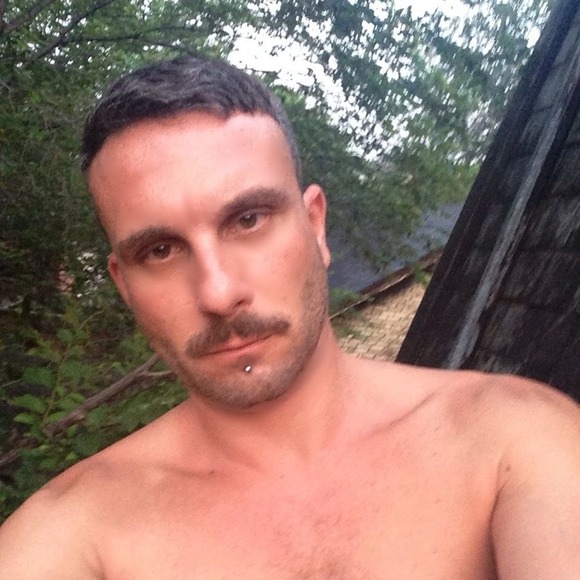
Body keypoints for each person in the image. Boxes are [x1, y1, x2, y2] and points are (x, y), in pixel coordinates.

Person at [0, 55, 579, 579]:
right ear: (125, 285)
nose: (219, 294)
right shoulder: (72, 534)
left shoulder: (511, 438)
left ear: (316, 226)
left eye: (248, 219)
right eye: (160, 250)